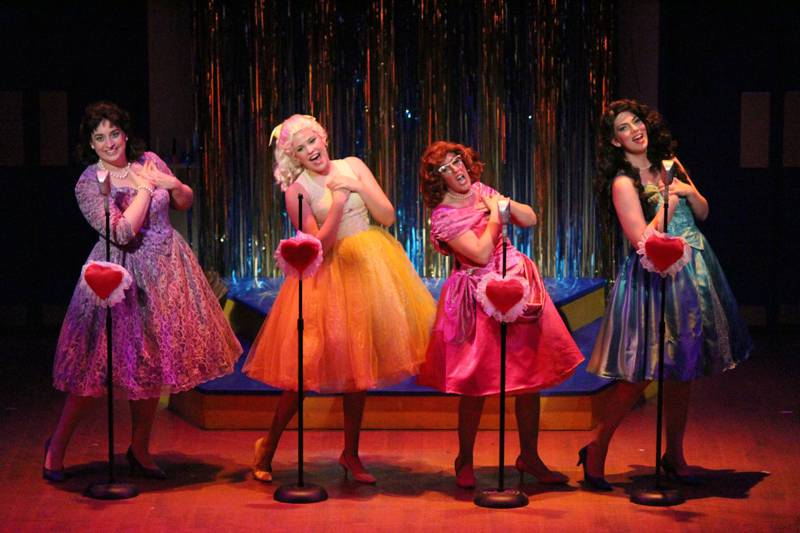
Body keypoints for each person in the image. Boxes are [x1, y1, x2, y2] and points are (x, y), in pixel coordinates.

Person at [43, 101, 242, 482]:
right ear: (90, 144)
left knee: (152, 361)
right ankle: (56, 447)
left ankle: (139, 448)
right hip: (119, 276)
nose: (109, 143)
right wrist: (147, 189)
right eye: (99, 137)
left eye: (114, 133)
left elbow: (183, 201)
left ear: (125, 134)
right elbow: (121, 232)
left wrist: (174, 185)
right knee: (95, 367)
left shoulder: (149, 161)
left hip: (166, 269)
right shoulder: (89, 181)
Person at [243, 114, 436, 484]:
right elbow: (317, 246)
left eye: (312, 141)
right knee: (303, 369)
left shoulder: (353, 165)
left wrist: (356, 186)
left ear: (323, 138)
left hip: (368, 270)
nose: (311, 150)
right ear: (295, 157)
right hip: (327, 277)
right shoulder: (298, 191)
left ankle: (351, 453)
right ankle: (268, 444)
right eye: (301, 148)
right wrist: (338, 202)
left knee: (358, 368)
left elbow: (387, 216)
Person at [580, 99, 753, 490]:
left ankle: (674, 454)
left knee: (683, 370)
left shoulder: (669, 163)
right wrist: (668, 204)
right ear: (615, 141)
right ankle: (597, 447)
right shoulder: (624, 183)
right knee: (642, 374)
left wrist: (687, 191)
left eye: (637, 121)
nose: (635, 130)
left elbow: (703, 212)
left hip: (695, 271)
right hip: (656, 277)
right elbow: (641, 241)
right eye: (624, 127)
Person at [417, 141, 584, 489]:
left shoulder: (483, 191)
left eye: (457, 161)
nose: (456, 169)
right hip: (477, 296)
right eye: (446, 168)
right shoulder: (443, 216)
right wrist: (495, 214)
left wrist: (502, 204)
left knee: (529, 378)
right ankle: (465, 459)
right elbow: (479, 254)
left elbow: (529, 218)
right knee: (475, 384)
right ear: (437, 178)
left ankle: (529, 456)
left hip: (515, 287)